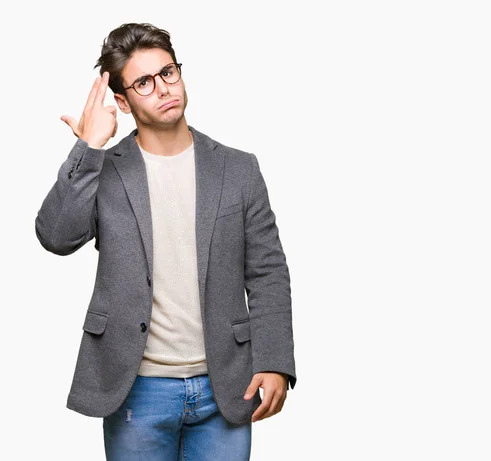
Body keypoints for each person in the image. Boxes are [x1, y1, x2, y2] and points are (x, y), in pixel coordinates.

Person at [35, 22, 296, 461]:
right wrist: (89, 146)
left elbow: (268, 271)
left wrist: (274, 361)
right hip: (137, 388)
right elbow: (56, 236)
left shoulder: (238, 169)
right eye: (143, 82)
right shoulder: (106, 169)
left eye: (168, 72)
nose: (162, 88)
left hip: (225, 385)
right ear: (122, 100)